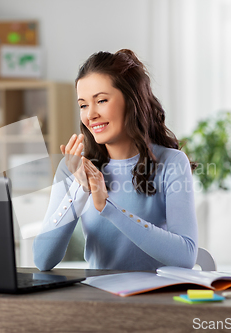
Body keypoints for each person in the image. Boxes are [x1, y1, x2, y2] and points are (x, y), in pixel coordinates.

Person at [33, 49, 198, 271]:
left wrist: (108, 207)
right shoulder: (72, 167)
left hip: (157, 299)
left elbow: (185, 256)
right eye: (83, 105)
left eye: (101, 100)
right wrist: (80, 190)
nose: (90, 114)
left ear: (132, 101)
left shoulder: (172, 163)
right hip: (99, 299)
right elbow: (43, 260)